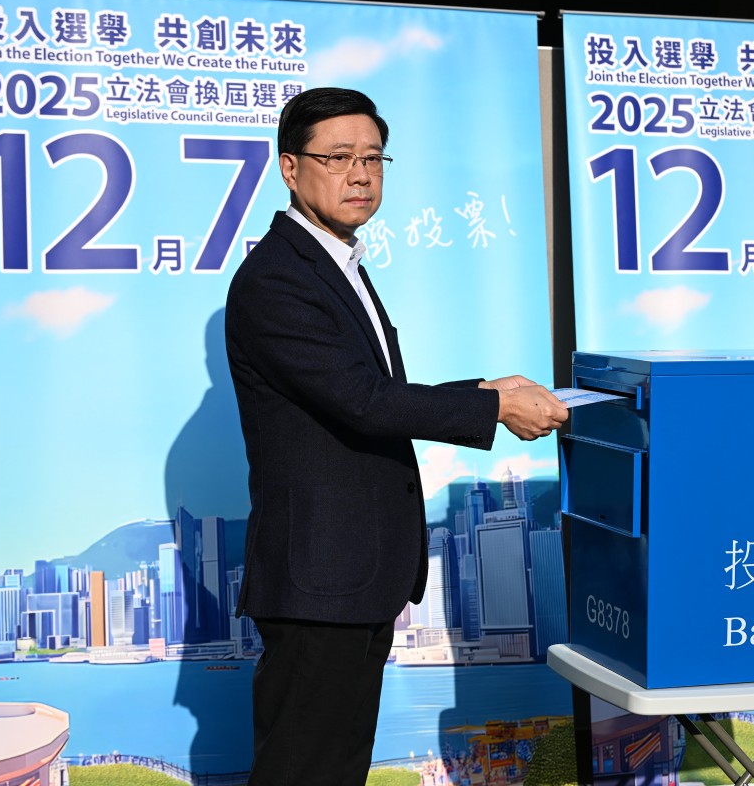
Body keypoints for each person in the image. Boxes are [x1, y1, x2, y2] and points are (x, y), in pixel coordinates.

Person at [224, 86, 568, 786]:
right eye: (339, 157)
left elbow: (365, 394)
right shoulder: (277, 280)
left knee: (335, 768)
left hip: (352, 576)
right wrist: (493, 406)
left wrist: (485, 391)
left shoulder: (336, 263)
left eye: (374, 158)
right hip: (320, 580)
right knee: (305, 771)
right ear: (290, 167)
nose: (360, 174)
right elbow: (361, 401)